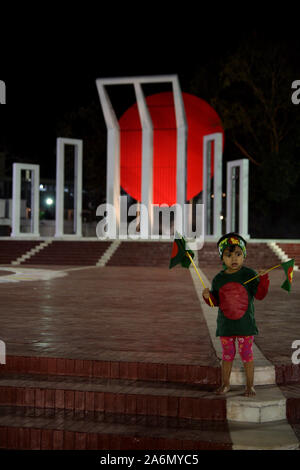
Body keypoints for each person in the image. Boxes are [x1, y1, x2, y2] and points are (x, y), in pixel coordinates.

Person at [202, 233, 269, 397]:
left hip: (245, 325)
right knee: (227, 355)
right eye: (228, 255)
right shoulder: (219, 279)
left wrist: (264, 280)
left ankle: (250, 386)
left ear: (244, 255)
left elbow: (260, 295)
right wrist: (207, 297)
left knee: (247, 354)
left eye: (238, 254)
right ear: (222, 258)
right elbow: (216, 302)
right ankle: (225, 384)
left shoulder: (249, 274)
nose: (234, 258)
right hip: (227, 326)